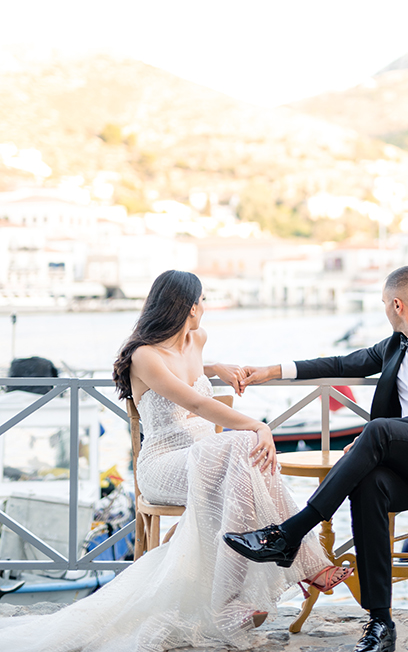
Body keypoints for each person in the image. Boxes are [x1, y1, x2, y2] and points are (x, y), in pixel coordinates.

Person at [0, 270, 350, 652]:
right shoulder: (143, 355)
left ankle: (235, 596)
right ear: (187, 306)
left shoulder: (198, 338)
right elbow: (196, 402)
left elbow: (190, 368)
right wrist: (257, 425)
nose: (204, 307)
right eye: (202, 300)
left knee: (241, 458)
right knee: (245, 444)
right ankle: (297, 567)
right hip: (164, 464)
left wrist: (216, 368)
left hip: (209, 460)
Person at [224, 265, 408, 652]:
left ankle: (290, 533)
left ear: (396, 304)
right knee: (369, 485)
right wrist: (271, 371)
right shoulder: (396, 344)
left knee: (377, 431)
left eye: (384, 304)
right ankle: (380, 623)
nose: (384, 311)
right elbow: (341, 364)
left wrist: (380, 436)